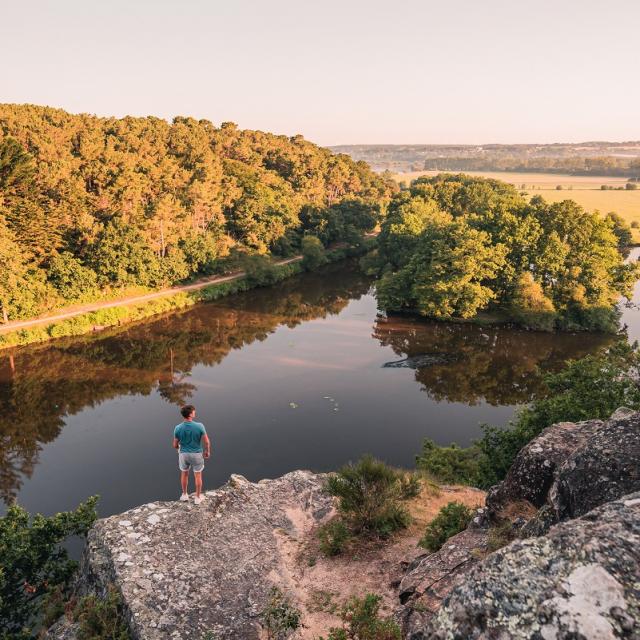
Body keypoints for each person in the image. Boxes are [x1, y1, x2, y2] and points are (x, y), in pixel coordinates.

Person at [172, 405, 211, 504]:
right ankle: (198, 498)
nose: (195, 412)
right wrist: (207, 451)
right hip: (197, 454)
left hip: (184, 454)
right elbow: (206, 442)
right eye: (194, 411)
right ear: (190, 414)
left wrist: (178, 448)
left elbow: (174, 444)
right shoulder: (200, 426)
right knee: (198, 475)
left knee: (184, 474)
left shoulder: (178, 428)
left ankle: (184, 494)